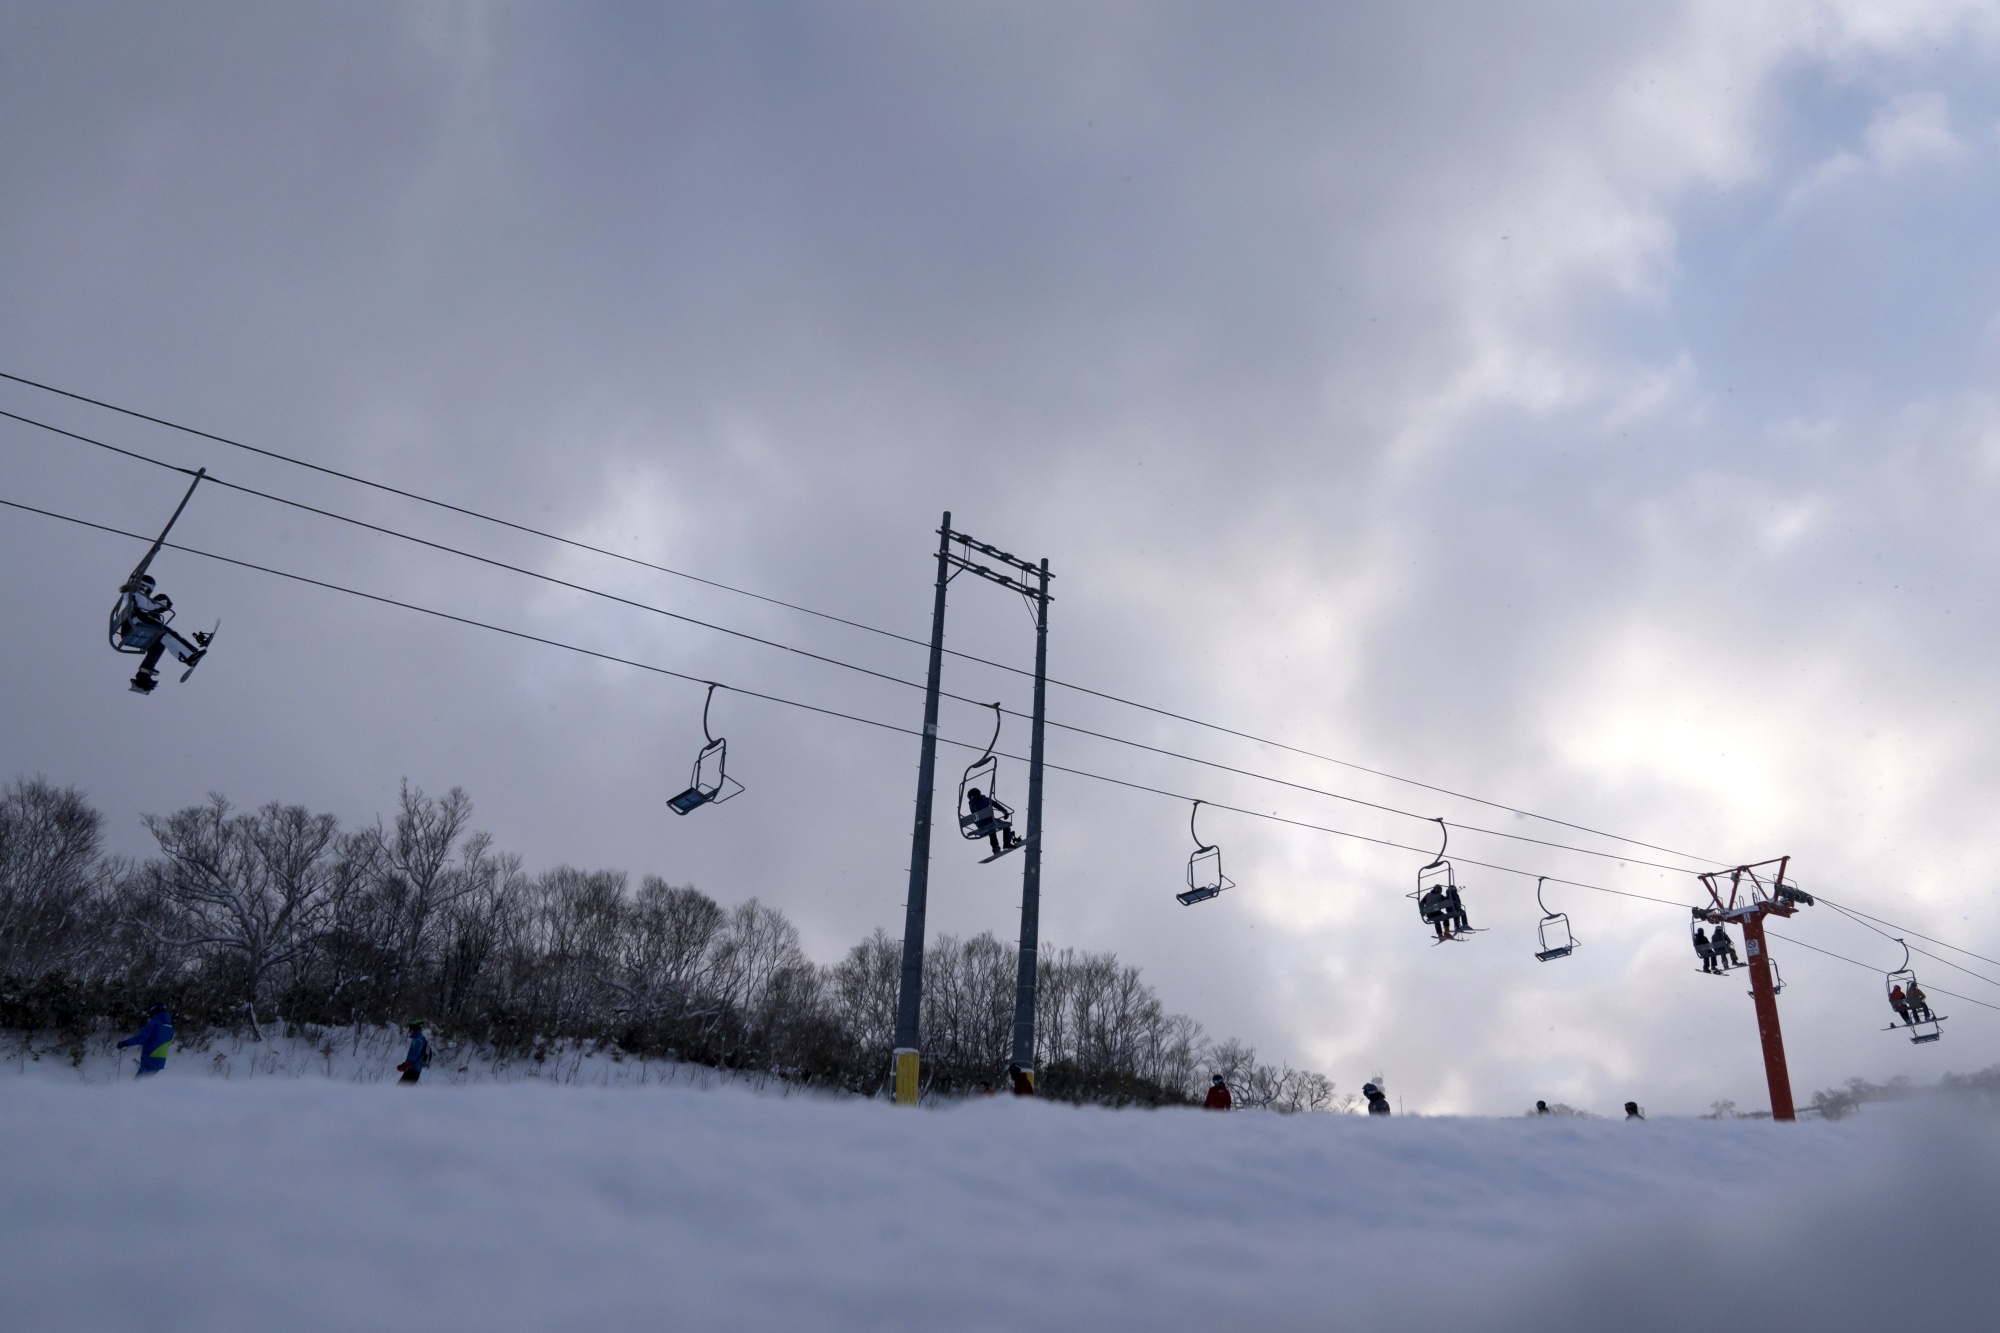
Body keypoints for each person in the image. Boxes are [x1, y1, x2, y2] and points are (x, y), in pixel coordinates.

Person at [110, 575, 211, 695]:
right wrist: (162, 604)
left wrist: (160, 607)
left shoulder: (135, 594)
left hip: (133, 625)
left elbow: (147, 607)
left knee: (161, 642)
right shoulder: (136, 592)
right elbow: (144, 608)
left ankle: (144, 675)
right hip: (138, 622)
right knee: (168, 633)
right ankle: (191, 654)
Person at [117, 1004, 174, 1078]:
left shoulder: (153, 1023)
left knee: (139, 1083)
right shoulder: (169, 1026)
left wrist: (124, 1043)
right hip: (161, 1059)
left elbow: (140, 1038)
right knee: (149, 1083)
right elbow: (170, 1041)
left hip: (150, 1057)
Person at [964, 788, 1021, 857]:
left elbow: (994, 805)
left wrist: (1005, 812)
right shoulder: (981, 801)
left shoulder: (972, 803)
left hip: (982, 824)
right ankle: (1006, 843)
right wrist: (1005, 812)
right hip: (988, 821)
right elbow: (994, 805)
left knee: (991, 830)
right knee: (1006, 825)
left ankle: (995, 847)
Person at [396, 1019, 431, 1084]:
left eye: (410, 1028)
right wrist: (405, 1064)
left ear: (415, 1029)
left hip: (413, 1071)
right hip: (413, 1070)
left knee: (399, 1091)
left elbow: (415, 1055)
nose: (409, 1030)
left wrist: (405, 1065)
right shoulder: (420, 1038)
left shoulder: (418, 1040)